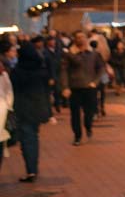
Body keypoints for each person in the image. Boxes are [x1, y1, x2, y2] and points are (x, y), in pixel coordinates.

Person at [11, 42, 51, 182]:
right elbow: (46, 91)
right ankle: (33, 168)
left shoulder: (17, 71)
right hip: (38, 107)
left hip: (23, 108)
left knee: (27, 139)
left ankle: (31, 170)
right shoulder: (41, 70)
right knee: (33, 137)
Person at [60, 30, 105, 146]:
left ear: (86, 39)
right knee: (75, 114)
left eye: (82, 37)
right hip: (75, 87)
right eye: (78, 37)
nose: (80, 39)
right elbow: (64, 71)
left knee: (89, 112)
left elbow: (100, 68)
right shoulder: (69, 54)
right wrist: (65, 86)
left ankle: (88, 126)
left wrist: (95, 82)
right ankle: (77, 136)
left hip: (89, 87)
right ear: (74, 39)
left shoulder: (94, 54)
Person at [0, 41, 15, 174]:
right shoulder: (3, 73)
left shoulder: (2, 73)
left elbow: (8, 92)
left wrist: (8, 107)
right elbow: (9, 92)